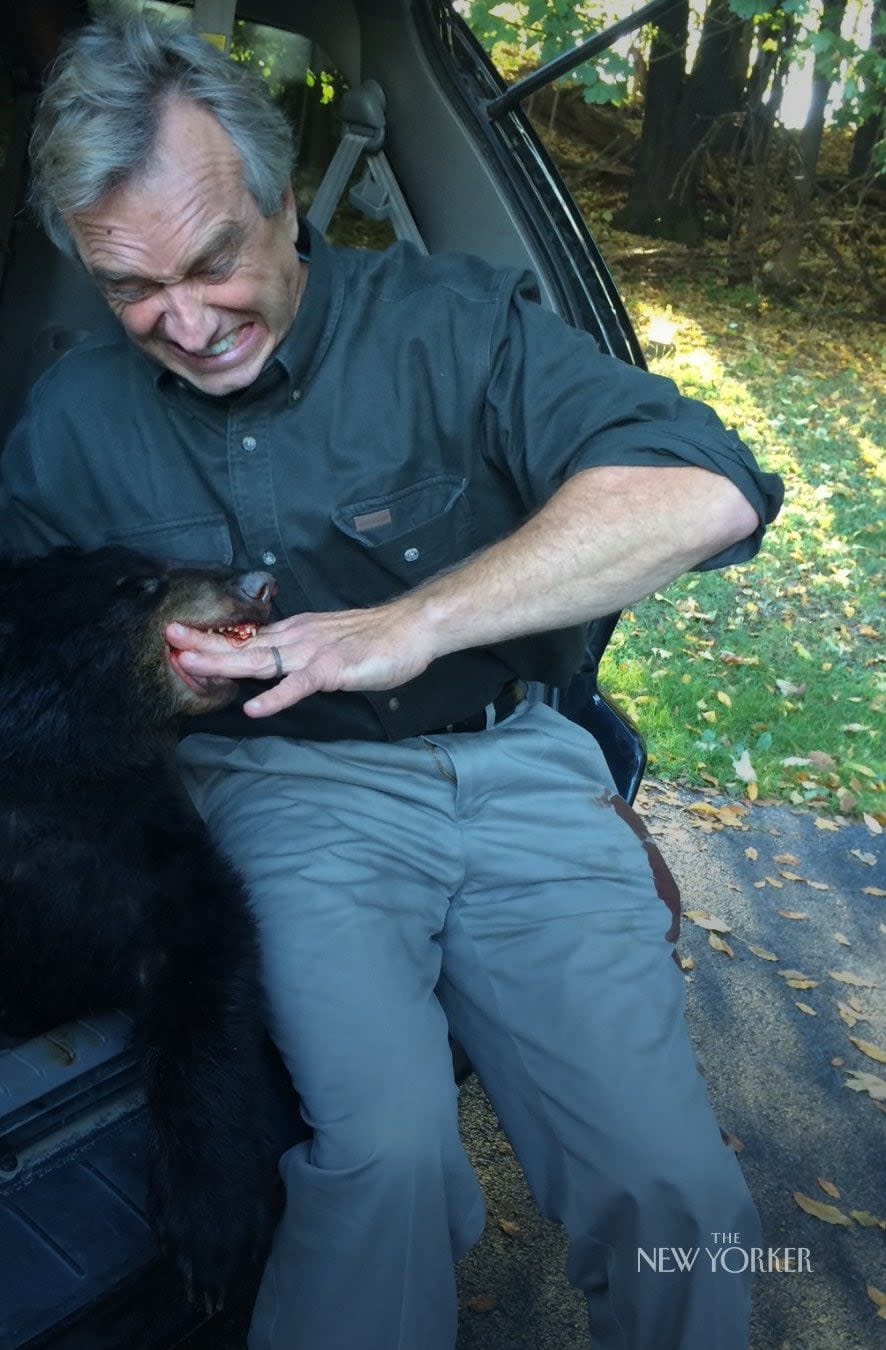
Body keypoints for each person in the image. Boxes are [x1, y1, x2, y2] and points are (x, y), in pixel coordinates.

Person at [0, 14, 784, 1350]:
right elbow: (21, 680)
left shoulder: (450, 321)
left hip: (515, 768)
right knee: (386, 1160)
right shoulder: (70, 425)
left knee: (682, 1193)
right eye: (132, 288)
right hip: (280, 791)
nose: (184, 324)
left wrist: (415, 621)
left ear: (284, 204)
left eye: (213, 264)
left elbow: (701, 492)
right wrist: (142, 669)